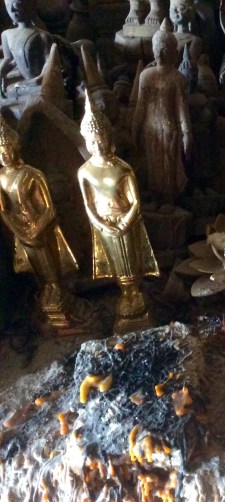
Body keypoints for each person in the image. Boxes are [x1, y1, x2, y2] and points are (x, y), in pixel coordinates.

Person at [79, 92, 159, 333]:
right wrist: (102, 224)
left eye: (101, 139)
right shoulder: (85, 172)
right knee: (116, 264)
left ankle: (135, 293)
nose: (98, 145)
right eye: (92, 142)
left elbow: (135, 202)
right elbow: (88, 205)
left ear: (109, 138)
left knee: (132, 261)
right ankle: (126, 294)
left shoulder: (123, 169)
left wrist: (124, 222)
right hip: (104, 224)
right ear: (87, 142)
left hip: (126, 221)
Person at [0, 114, 78, 327]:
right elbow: (4, 211)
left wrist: (37, 229)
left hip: (41, 227)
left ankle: (56, 288)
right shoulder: (1, 178)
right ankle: (47, 290)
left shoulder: (32, 174)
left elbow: (50, 209)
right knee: (34, 266)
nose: (4, 156)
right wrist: (18, 231)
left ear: (15, 148)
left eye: (6, 150)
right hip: (20, 229)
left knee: (48, 262)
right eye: (0, 153)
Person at [133, 19, 192, 205]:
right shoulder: (147, 76)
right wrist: (135, 128)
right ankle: (157, 198)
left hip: (166, 128)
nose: (159, 53)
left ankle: (168, 201)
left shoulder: (176, 79)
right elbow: (140, 106)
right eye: (157, 48)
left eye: (163, 49)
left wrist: (186, 133)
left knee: (168, 166)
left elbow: (181, 109)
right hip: (153, 128)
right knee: (155, 165)